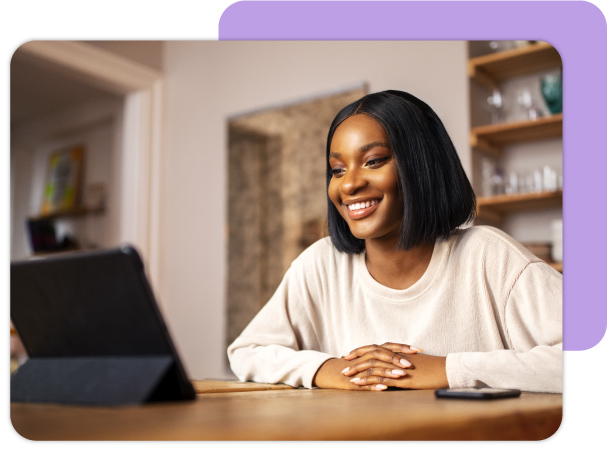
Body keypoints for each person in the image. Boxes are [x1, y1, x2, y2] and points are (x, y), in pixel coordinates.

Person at [227, 90, 562, 393]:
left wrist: (448, 369)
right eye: (338, 170)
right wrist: (328, 368)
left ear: (422, 166)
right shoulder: (320, 265)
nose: (349, 185)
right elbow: (247, 352)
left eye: (373, 161)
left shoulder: (490, 257)